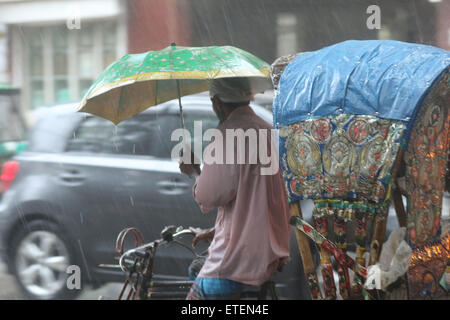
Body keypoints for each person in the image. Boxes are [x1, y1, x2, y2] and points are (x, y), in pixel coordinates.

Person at [179, 77, 291, 300]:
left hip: (235, 262)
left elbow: (209, 194)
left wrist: (194, 171)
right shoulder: (267, 130)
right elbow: (254, 196)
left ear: (217, 102)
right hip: (267, 252)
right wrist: (217, 231)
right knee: (195, 268)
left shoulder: (229, 134)